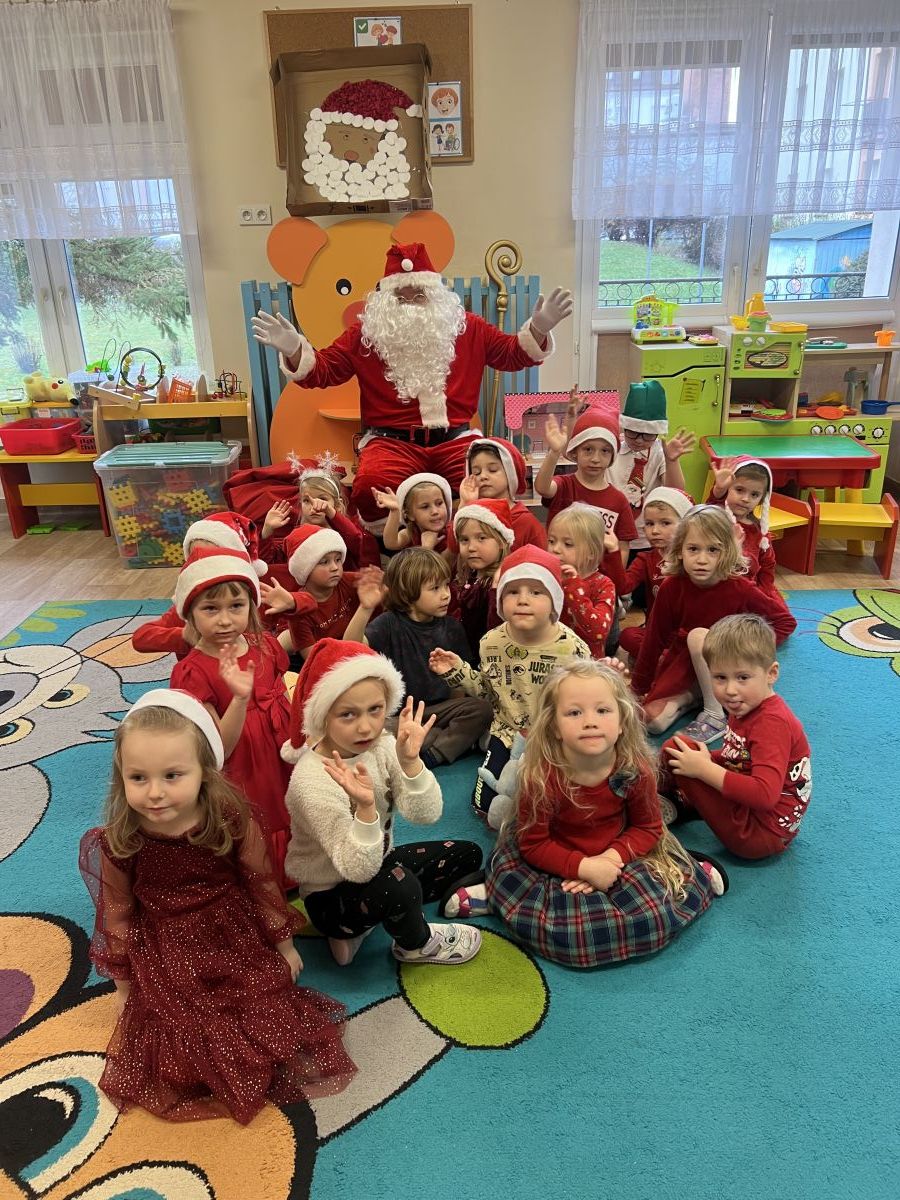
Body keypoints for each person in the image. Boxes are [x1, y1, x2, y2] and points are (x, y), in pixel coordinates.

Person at [79, 689, 355, 1123]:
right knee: (178, 1037)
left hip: (232, 934)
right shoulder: (120, 838)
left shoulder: (229, 816)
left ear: (205, 772)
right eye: (138, 778)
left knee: (267, 1013)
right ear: (120, 776)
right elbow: (117, 913)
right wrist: (125, 987)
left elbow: (261, 882)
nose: (155, 793)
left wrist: (284, 945)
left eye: (173, 775)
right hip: (167, 946)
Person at [251, 242, 572, 528]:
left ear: (435, 296)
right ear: (385, 300)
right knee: (370, 486)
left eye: (419, 295)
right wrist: (295, 349)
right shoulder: (367, 335)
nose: (410, 305)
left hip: (455, 440)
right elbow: (324, 371)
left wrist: (539, 328)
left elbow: (513, 354)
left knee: (493, 477)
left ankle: (480, 549)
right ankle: (392, 555)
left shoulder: (467, 328)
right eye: (400, 297)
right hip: (391, 443)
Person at [482, 661, 725, 969]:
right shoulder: (540, 777)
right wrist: (584, 868)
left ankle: (694, 870)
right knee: (565, 928)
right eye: (574, 713)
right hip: (556, 857)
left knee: (653, 911)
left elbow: (648, 828)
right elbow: (534, 844)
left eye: (603, 711)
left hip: (621, 853)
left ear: (623, 721)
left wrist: (609, 860)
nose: (590, 722)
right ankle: (489, 896)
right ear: (554, 726)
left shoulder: (634, 769)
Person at [282, 639, 484, 967]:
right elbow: (356, 869)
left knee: (467, 855)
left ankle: (370, 923)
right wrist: (365, 810)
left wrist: (411, 763)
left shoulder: (381, 745)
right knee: (401, 886)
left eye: (375, 710)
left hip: (378, 863)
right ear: (322, 717)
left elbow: (426, 814)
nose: (366, 727)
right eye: (348, 714)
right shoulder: (311, 780)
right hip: (330, 897)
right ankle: (414, 945)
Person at [429, 546, 590, 820]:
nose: (523, 600)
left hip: (555, 736)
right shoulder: (491, 642)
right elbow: (487, 691)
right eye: (513, 591)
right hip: (506, 734)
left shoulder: (573, 648)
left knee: (559, 802)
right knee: (484, 806)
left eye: (536, 592)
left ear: (554, 601)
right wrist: (457, 672)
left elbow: (585, 704)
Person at [168, 547, 294, 885]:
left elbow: (284, 699)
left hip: (281, 750)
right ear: (190, 613)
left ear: (251, 606)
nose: (225, 620)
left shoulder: (266, 645)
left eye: (236, 606)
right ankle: (263, 882)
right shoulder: (192, 671)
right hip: (244, 766)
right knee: (257, 818)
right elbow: (218, 748)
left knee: (293, 804)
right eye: (211, 608)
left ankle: (298, 869)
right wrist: (240, 699)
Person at [630, 505, 796, 741]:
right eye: (693, 549)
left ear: (727, 551)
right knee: (651, 721)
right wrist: (637, 690)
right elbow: (653, 640)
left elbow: (785, 622)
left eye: (713, 550)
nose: (701, 560)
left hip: (728, 663)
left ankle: (715, 714)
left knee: (698, 636)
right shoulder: (671, 587)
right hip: (687, 661)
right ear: (679, 550)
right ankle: (696, 695)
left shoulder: (739, 587)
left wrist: (748, 651)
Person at [661, 614, 812, 859]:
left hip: (758, 834)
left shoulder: (771, 722)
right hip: (754, 813)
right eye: (720, 677)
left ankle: (656, 802)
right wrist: (707, 759)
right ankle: (675, 800)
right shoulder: (745, 704)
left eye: (743, 677)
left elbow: (764, 795)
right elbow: (741, 755)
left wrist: (704, 769)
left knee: (677, 752)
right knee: (681, 748)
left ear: (771, 673)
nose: (730, 690)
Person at [363, 548, 492, 767]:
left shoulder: (452, 627)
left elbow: (459, 688)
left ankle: (433, 754)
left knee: (482, 709)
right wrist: (365, 608)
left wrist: (454, 715)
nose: (446, 594)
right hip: (401, 715)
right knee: (374, 731)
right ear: (407, 593)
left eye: (446, 585)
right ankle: (437, 741)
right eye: (435, 588)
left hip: (440, 711)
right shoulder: (388, 623)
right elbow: (352, 648)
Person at [130, 512, 267, 659]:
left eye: (213, 559)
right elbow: (141, 638)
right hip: (198, 670)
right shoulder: (192, 603)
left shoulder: (253, 598)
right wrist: (185, 636)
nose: (224, 620)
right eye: (195, 559)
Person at [534, 399, 638, 560]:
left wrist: (616, 574)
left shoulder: (619, 501)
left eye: (604, 451)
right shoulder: (564, 486)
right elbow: (542, 488)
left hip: (599, 575)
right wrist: (554, 452)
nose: (595, 459)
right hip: (559, 569)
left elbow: (623, 547)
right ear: (575, 452)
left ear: (612, 456)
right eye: (588, 449)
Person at [259, 525, 375, 659]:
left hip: (348, 649)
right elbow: (314, 659)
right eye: (324, 562)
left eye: (338, 560)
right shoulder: (300, 611)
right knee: (285, 639)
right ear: (305, 570)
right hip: (321, 659)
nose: (335, 567)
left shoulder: (349, 581)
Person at [606, 381, 696, 552]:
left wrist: (671, 461)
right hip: (611, 535)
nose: (639, 440)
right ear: (624, 427)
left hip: (647, 538)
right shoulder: (611, 448)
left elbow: (675, 491)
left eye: (648, 435)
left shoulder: (659, 452)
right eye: (633, 432)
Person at [612, 486, 694, 664]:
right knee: (627, 636)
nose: (655, 530)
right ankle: (667, 661)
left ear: (685, 525)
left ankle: (662, 660)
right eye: (649, 523)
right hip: (656, 633)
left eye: (665, 523)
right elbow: (623, 587)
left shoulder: (693, 557)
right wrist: (613, 552)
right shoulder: (645, 559)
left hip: (687, 632)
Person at [260, 462, 380, 572]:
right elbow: (269, 562)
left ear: (337, 505)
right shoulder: (297, 536)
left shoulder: (347, 534)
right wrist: (267, 531)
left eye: (322, 499)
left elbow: (356, 540)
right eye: (307, 500)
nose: (315, 505)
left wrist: (331, 512)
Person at [546, 502, 618, 658]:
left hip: (586, 664)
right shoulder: (547, 576)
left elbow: (599, 632)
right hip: (550, 659)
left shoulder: (603, 584)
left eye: (568, 544)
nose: (555, 549)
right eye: (551, 541)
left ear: (591, 552)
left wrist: (573, 587)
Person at [705, 456, 781, 600]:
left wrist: (764, 594)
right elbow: (708, 510)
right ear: (728, 488)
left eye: (754, 494)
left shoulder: (760, 531)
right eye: (739, 490)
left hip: (748, 592)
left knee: (779, 612)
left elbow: (767, 566)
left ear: (762, 499)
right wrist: (719, 489)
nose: (746, 499)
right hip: (716, 590)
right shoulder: (717, 518)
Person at [455, 435, 547, 550]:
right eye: (476, 472)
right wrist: (465, 505)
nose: (483, 476)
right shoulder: (470, 516)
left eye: (492, 470)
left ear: (510, 473)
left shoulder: (526, 522)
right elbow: (452, 554)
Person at [449, 497, 515, 655]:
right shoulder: (468, 576)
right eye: (464, 540)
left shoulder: (502, 584)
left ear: (502, 542)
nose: (471, 547)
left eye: (481, 538)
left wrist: (495, 588)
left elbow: (498, 630)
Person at [371, 472, 452, 552]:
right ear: (410, 515)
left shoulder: (452, 532)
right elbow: (391, 544)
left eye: (439, 503)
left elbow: (445, 561)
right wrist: (395, 511)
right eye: (425, 507)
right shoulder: (411, 533)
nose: (435, 511)